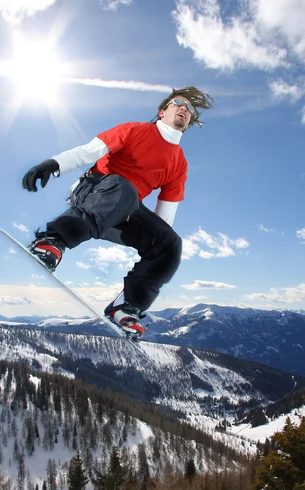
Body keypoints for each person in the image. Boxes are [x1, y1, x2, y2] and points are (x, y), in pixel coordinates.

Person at [22, 86, 213, 339]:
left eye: (189, 109)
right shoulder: (136, 130)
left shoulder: (179, 163)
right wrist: (53, 164)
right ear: (162, 112)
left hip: (123, 212)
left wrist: (154, 245)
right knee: (125, 189)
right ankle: (52, 240)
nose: (184, 109)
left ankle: (126, 307)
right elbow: (89, 150)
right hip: (93, 191)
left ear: (189, 121)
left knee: (171, 243)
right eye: (178, 103)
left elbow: (164, 218)